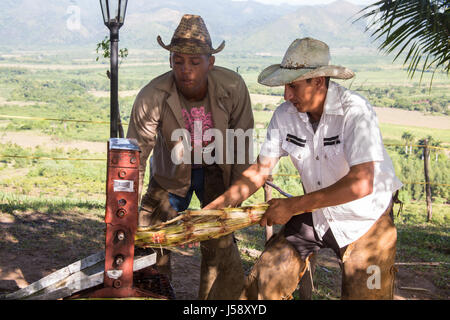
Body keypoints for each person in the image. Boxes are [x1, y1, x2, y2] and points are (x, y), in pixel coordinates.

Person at [204, 37, 403, 300]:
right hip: (316, 213)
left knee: (368, 295)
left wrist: (292, 206)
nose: (287, 95)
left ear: (319, 81)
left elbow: (361, 183)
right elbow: (261, 169)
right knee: (264, 282)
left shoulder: (355, 111)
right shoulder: (285, 115)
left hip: (366, 219)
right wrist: (221, 205)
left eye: (294, 86)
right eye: (287, 86)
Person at [126, 14, 254, 299]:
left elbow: (242, 142)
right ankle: (154, 292)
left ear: (211, 62)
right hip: (171, 173)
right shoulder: (152, 95)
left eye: (195, 62)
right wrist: (129, 206)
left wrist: (235, 196)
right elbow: (136, 154)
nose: (186, 69)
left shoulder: (232, 87)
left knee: (220, 240)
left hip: (216, 169)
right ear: (170, 61)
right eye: (178, 60)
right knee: (151, 239)